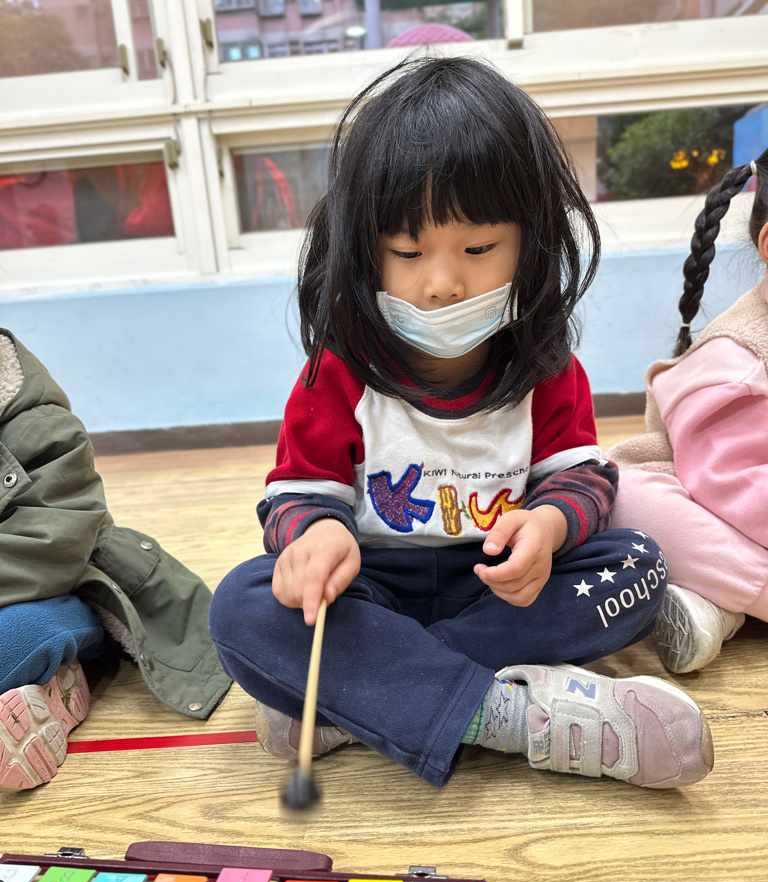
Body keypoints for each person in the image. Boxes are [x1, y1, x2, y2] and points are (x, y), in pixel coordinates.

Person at [209, 56, 713, 790]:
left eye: (478, 249)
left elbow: (582, 481)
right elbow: (297, 496)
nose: (442, 283)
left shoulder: (544, 366)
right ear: (364, 251)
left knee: (639, 566)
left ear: (531, 241)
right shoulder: (336, 372)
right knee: (244, 606)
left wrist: (547, 528)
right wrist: (315, 537)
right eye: (407, 252)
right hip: (373, 590)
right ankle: (510, 716)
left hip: (498, 592)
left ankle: (364, 695)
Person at [0, 328, 231, 790]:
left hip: (52, 587)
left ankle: (62, 664)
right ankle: (42, 690)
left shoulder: (34, 418)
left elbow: (54, 542)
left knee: (17, 638)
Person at [608, 148, 768, 674]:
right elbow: (727, 487)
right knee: (623, 497)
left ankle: (717, 607)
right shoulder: (739, 366)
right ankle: (738, 591)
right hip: (704, 494)